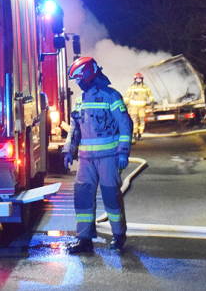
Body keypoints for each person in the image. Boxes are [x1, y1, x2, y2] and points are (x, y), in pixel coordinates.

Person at [62, 57, 133, 253]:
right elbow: (74, 130)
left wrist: (123, 152)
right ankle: (84, 239)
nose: (77, 83)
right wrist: (68, 150)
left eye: (78, 78)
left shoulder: (111, 96)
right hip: (86, 160)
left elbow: (125, 125)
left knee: (111, 197)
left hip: (109, 158)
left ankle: (119, 235)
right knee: (82, 198)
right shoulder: (80, 100)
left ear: (87, 75)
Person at [124, 72, 154, 140]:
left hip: (142, 108)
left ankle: (140, 134)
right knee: (134, 121)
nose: (139, 80)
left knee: (142, 121)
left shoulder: (145, 87)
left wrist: (152, 101)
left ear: (142, 79)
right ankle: (134, 134)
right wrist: (125, 103)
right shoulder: (131, 87)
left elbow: (150, 95)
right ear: (135, 79)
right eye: (137, 79)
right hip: (134, 107)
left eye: (140, 78)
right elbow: (127, 96)